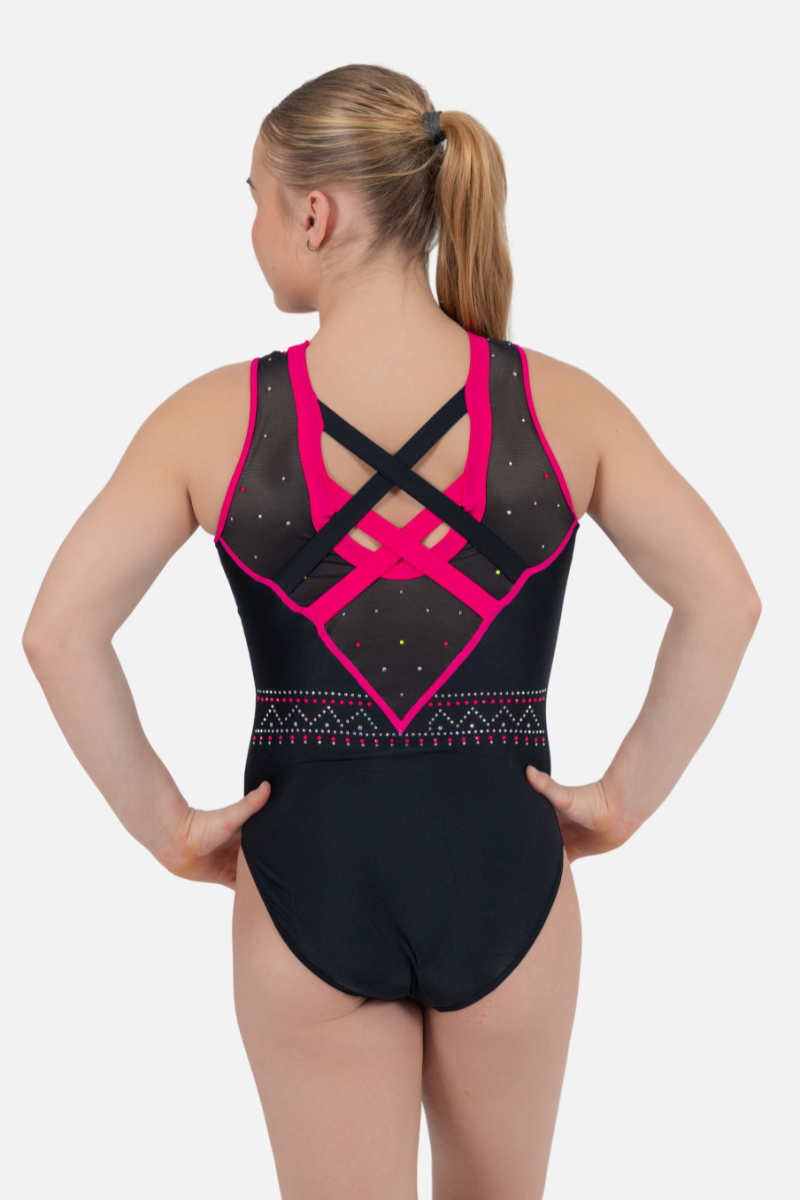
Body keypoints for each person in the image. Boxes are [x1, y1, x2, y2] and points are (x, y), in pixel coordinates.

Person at [23, 63, 760, 1200]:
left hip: (305, 872)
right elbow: (724, 599)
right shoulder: (561, 405)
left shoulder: (212, 419)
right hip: (506, 872)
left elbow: (59, 631)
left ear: (313, 214)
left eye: (255, 199)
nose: (252, 228)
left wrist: (167, 827)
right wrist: (621, 800)